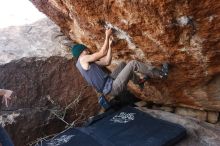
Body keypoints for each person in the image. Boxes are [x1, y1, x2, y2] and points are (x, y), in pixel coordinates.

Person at [70, 28, 168, 108]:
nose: (88, 51)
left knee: (122, 65)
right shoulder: (83, 59)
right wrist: (107, 35)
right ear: (82, 51)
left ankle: (139, 82)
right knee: (133, 64)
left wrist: (110, 45)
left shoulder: (87, 63)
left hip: (109, 83)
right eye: (86, 49)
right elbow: (101, 53)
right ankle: (161, 74)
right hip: (112, 88)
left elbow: (106, 62)